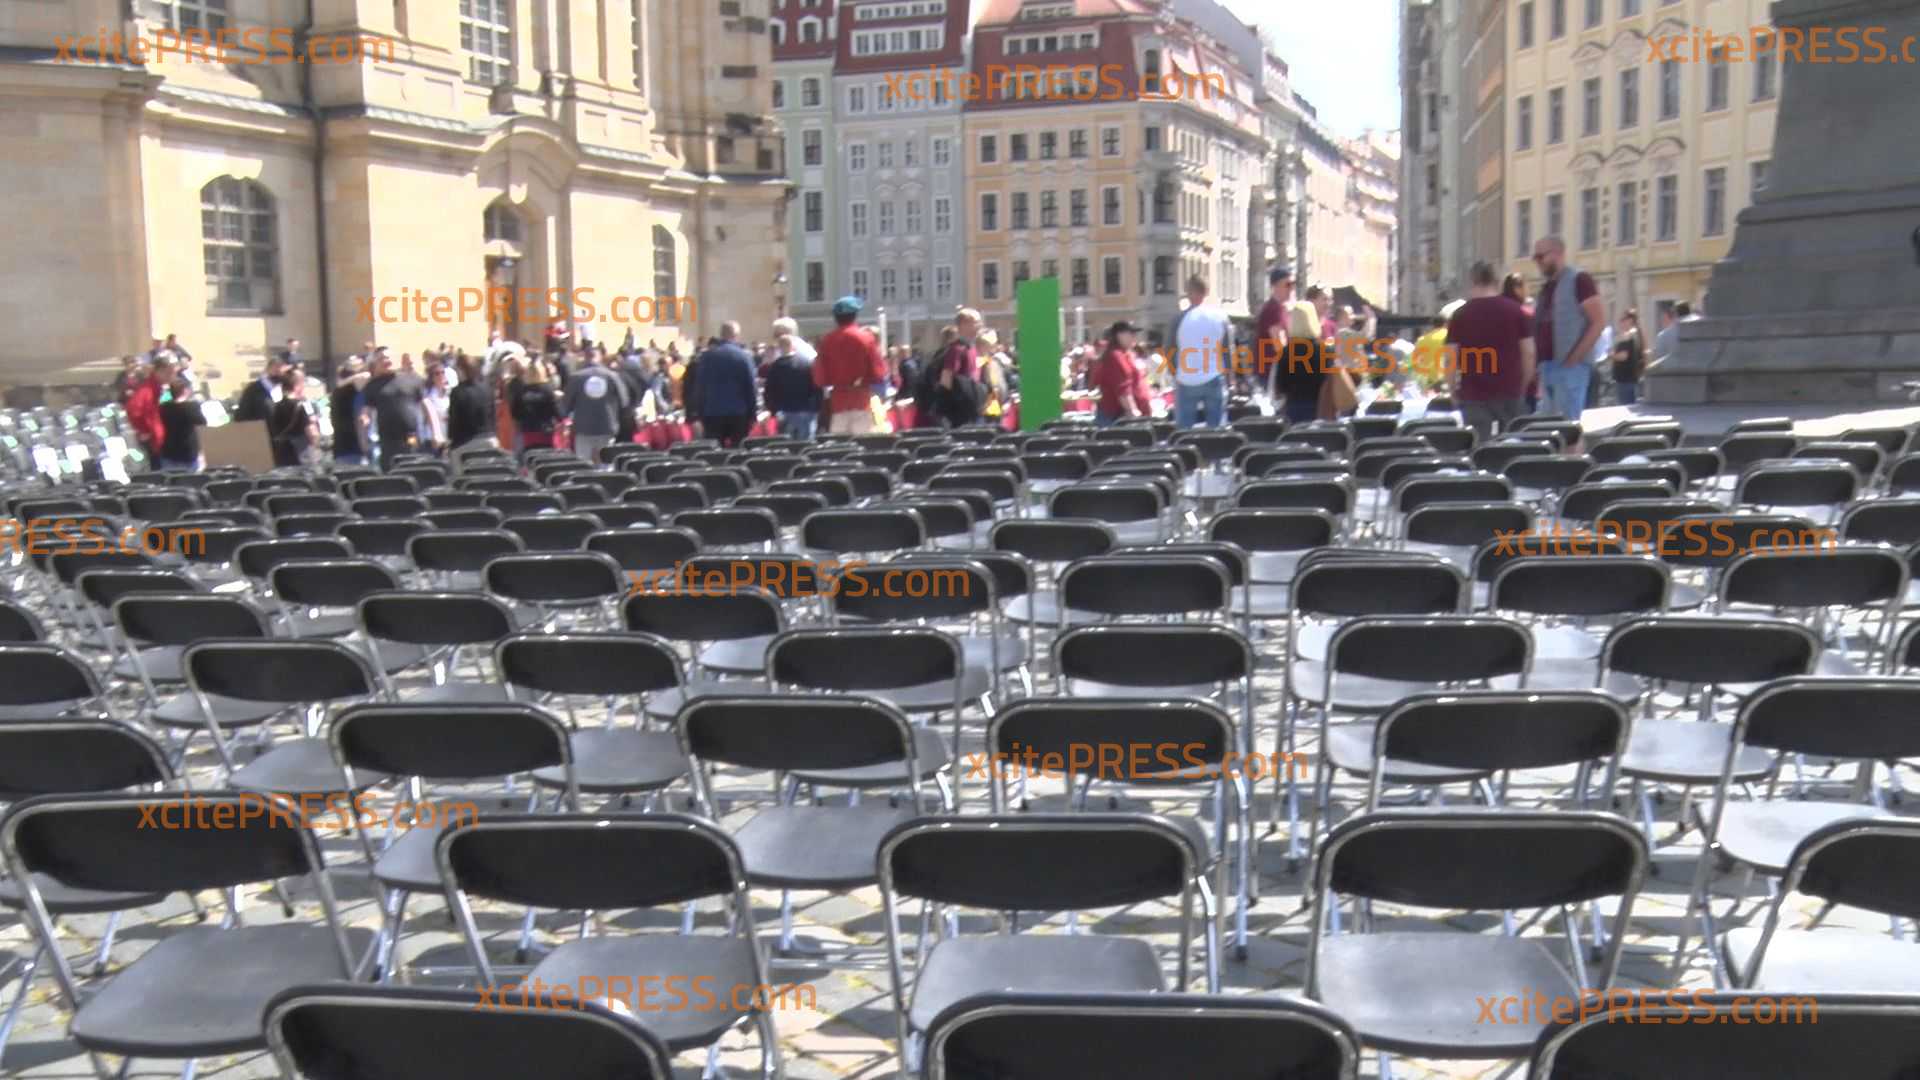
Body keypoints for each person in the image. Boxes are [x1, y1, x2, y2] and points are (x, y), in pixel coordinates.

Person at [1446, 261, 1537, 440]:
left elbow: (1450, 357)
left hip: (1473, 393)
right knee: (1512, 445)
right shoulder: (1516, 311)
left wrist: (1452, 390)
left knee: (1480, 447)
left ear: (1472, 280)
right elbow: (1529, 353)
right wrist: (1523, 384)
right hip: (1510, 390)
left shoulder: (1460, 315)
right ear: (1497, 281)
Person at [1531, 235, 1606, 423]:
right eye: (1535, 257)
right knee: (1549, 427)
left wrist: (1575, 358)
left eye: (1540, 256)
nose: (1537, 262)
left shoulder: (1579, 279)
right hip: (1547, 366)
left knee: (1567, 427)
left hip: (1570, 367)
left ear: (1557, 253)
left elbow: (1598, 322)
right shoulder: (1546, 287)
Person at [813, 296, 888, 434]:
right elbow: (879, 373)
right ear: (855, 316)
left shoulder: (827, 341)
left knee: (840, 443)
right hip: (861, 400)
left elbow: (819, 378)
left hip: (838, 403)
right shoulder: (866, 338)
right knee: (862, 442)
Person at [1170, 275, 1230, 428]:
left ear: (1187, 292)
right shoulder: (1220, 317)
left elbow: (1169, 349)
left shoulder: (1178, 319)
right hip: (1214, 376)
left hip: (1186, 378)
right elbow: (1228, 351)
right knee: (1216, 429)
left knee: (1184, 429)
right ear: (1207, 291)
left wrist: (1175, 373)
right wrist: (1230, 377)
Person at [691, 322, 759, 447]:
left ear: (721, 335)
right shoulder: (744, 356)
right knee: (738, 450)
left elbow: (700, 387)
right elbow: (751, 387)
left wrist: (699, 413)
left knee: (715, 452)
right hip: (739, 412)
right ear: (736, 335)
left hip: (712, 412)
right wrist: (753, 414)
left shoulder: (707, 357)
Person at [563, 348, 632, 464]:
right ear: (600, 358)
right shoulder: (612, 376)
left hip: (583, 427)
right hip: (607, 425)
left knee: (583, 463)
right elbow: (624, 402)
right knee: (606, 463)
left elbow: (566, 404)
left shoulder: (576, 377)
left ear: (585, 358)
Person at [363, 352, 427, 469]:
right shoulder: (372, 385)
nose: (385, 361)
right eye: (381, 359)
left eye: (388, 357)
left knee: (414, 467)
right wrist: (365, 419)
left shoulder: (412, 379)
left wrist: (437, 433)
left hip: (411, 436)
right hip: (387, 441)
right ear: (376, 364)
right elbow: (366, 410)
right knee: (390, 471)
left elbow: (427, 405)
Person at [765, 327, 822, 439]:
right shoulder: (807, 363)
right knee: (806, 442)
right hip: (806, 410)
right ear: (793, 346)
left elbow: (769, 391)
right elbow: (816, 387)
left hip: (784, 411)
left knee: (786, 444)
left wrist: (772, 410)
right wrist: (817, 407)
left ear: (780, 348)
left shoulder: (775, 367)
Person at [1093, 321, 1151, 427]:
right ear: (1120, 335)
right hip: (1117, 417)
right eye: (1131, 333)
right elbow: (1123, 388)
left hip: (1126, 415)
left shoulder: (1127, 354)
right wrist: (1132, 410)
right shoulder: (1115, 356)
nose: (1135, 337)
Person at [511, 358, 563, 455]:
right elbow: (556, 411)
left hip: (528, 431)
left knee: (530, 456)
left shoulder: (521, 391)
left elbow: (515, 413)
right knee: (547, 457)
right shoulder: (548, 390)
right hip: (546, 431)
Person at [155, 377, 206, 472]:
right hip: (188, 451)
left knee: (172, 478)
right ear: (185, 390)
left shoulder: (163, 408)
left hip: (168, 450)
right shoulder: (191, 407)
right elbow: (202, 422)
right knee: (191, 478)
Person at [126, 356, 170, 463]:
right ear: (159, 371)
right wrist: (144, 430)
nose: (170, 377)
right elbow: (133, 410)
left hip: (159, 437)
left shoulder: (157, 388)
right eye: (168, 373)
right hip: (153, 440)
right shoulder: (148, 390)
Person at [267, 373, 315, 467]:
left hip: (282, 452)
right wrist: (315, 444)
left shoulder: (276, 407)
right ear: (296, 386)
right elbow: (311, 432)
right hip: (301, 451)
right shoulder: (301, 405)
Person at [448, 354, 495, 450]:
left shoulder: (457, 392)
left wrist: (450, 440)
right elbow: (492, 415)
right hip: (489, 439)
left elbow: (454, 422)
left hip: (466, 442)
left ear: (461, 370)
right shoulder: (487, 388)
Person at [233, 354, 288, 422]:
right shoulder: (253, 390)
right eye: (277, 371)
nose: (281, 375)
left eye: (283, 373)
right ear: (268, 369)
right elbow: (242, 417)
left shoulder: (283, 389)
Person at [422, 362, 452, 453]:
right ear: (432, 377)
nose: (441, 375)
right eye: (437, 373)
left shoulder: (450, 393)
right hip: (433, 439)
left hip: (449, 436)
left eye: (443, 372)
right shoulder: (428, 396)